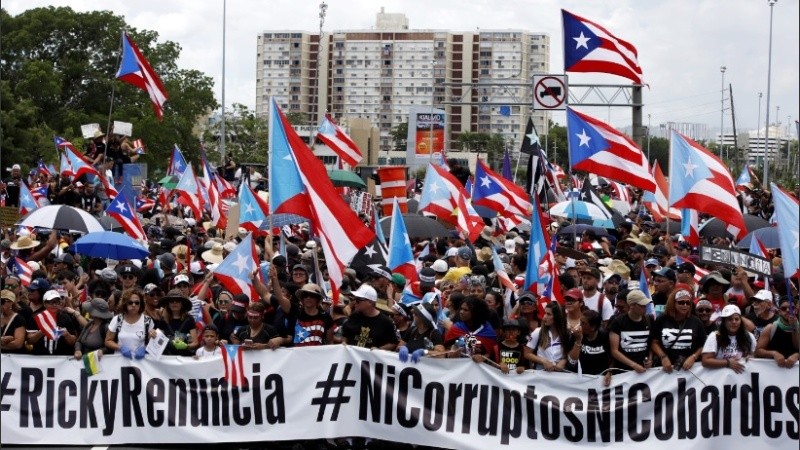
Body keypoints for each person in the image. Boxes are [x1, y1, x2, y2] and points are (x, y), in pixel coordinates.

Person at [649, 284, 706, 373]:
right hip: (664, 369)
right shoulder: (662, 319)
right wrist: (663, 357)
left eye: (688, 303)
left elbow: (702, 345)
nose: (685, 305)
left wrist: (693, 357)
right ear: (673, 303)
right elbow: (653, 342)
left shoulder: (696, 322)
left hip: (689, 369)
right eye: (681, 302)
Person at [341, 284, 399, 350]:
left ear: (370, 302)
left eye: (358, 300)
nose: (355, 303)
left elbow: (393, 343)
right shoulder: (354, 316)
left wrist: (379, 349)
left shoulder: (386, 322)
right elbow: (345, 335)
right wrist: (344, 343)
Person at [701, 305, 756, 374]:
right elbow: (705, 361)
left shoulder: (749, 336)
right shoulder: (715, 336)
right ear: (724, 322)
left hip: (743, 378)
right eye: (730, 319)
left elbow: (756, 355)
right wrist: (727, 362)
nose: (734, 322)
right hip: (720, 379)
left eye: (737, 319)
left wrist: (752, 357)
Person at [608, 290, 653, 373]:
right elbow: (614, 351)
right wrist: (634, 365)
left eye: (645, 305)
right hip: (623, 371)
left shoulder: (649, 320)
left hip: (644, 371)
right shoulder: (617, 322)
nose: (645, 307)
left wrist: (650, 359)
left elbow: (650, 344)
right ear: (632, 305)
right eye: (642, 305)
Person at [105, 288, 155, 360]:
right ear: (125, 303)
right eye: (130, 302)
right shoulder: (117, 319)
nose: (134, 305)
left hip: (141, 362)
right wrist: (120, 347)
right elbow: (108, 341)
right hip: (120, 361)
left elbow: (153, 343)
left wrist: (145, 349)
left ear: (141, 304)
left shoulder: (147, 321)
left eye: (137, 303)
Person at [444, 295, 497, 362]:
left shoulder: (488, 331)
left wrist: (483, 357)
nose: (461, 312)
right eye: (461, 309)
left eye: (465, 310)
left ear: (475, 312)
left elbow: (492, 354)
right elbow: (446, 349)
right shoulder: (456, 328)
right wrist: (452, 353)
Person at [568, 309, 612, 385]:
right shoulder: (575, 335)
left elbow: (612, 358)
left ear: (593, 327)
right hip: (580, 378)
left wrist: (609, 372)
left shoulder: (605, 336)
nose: (579, 325)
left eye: (583, 323)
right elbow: (572, 361)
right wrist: (578, 340)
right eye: (580, 322)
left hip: (600, 377)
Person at [755, 297, 800, 368]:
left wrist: (797, 355)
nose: (788, 310)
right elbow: (758, 352)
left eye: (792, 308)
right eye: (784, 308)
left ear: (796, 310)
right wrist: (774, 353)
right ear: (779, 311)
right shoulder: (770, 328)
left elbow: (797, 346)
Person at [524, 301, 570, 371]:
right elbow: (527, 353)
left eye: (549, 314)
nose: (544, 317)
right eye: (545, 313)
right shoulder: (538, 332)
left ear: (557, 317)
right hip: (541, 371)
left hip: (561, 373)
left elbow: (572, 355)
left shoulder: (567, 334)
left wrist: (564, 361)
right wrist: (543, 361)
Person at [155, 288, 199, 356]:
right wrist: (152, 335)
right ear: (168, 304)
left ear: (182, 303)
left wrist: (186, 346)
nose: (174, 303)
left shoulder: (189, 319)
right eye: (172, 301)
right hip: (167, 357)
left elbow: (195, 343)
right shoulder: (163, 320)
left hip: (183, 358)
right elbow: (157, 340)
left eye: (178, 301)